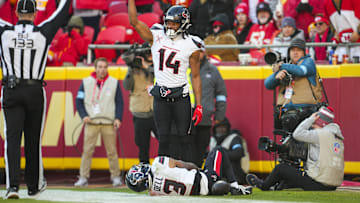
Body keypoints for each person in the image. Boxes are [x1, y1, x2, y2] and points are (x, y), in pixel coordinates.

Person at [0, 0, 71, 199]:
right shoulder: (42, 32)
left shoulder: (5, 31)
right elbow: (61, 12)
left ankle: (12, 187)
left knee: (12, 140)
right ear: (33, 14)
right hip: (34, 90)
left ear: (16, 12)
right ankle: (33, 186)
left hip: (11, 89)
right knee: (33, 140)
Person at [128, 0, 203, 157]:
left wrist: (199, 104)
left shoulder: (191, 44)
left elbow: (195, 76)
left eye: (174, 24)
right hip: (161, 95)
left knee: (185, 138)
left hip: (181, 96)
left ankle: (189, 175)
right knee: (163, 138)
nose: (170, 27)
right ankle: (163, 175)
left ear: (183, 24)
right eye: (168, 23)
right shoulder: (157, 35)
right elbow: (134, 21)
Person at [246, 106, 344, 191]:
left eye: (314, 122)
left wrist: (309, 119)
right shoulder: (338, 138)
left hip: (319, 183)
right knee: (295, 177)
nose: (312, 126)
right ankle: (277, 186)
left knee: (280, 168)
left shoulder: (321, 134)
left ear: (320, 121)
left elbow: (297, 134)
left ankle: (263, 185)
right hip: (332, 185)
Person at [74, 57, 124, 187]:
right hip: (92, 122)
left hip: (108, 122)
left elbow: (119, 102)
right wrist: (83, 115)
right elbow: (78, 101)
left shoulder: (114, 82)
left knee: (112, 151)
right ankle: (83, 177)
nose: (102, 70)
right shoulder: (86, 82)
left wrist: (118, 118)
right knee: (87, 151)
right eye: (100, 67)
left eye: (105, 67)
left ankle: (116, 176)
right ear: (95, 68)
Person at [125, 146, 252, 196]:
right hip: (202, 180)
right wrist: (198, 168)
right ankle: (234, 186)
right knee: (218, 151)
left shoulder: (153, 193)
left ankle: (220, 187)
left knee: (210, 184)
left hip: (196, 193)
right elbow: (185, 165)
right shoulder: (159, 163)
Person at [264, 38, 322, 132]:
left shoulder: (308, 62)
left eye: (298, 50)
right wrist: (276, 76)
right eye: (292, 50)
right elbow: (267, 85)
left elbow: (300, 71)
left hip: (306, 111)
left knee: (305, 143)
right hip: (286, 113)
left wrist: (281, 66)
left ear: (304, 52)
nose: (295, 53)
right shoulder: (286, 65)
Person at [188, 41, 227, 167]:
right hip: (185, 117)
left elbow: (221, 94)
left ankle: (197, 178)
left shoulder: (213, 70)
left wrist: (220, 115)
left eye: (199, 51)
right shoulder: (183, 69)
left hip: (205, 117)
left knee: (201, 150)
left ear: (204, 53)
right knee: (187, 151)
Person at [122, 43, 158, 164]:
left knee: (165, 143)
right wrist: (130, 68)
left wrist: (146, 67)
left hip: (157, 112)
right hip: (140, 113)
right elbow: (127, 86)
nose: (150, 56)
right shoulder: (134, 68)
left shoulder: (158, 67)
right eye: (147, 53)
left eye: (151, 53)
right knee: (142, 146)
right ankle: (144, 170)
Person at [209, 118, 249, 185]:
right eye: (218, 127)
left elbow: (238, 153)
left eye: (223, 127)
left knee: (220, 151)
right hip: (216, 172)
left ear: (227, 128)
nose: (220, 130)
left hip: (235, 172)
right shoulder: (212, 140)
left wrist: (221, 155)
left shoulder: (234, 138)